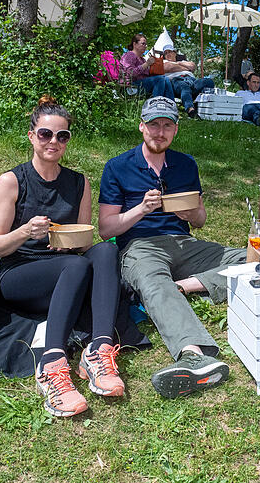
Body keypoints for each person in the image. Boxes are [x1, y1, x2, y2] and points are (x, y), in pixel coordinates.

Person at [0, 96, 126, 417]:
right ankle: (51, 365)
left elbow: (83, 238)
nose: (54, 141)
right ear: (32, 135)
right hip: (21, 275)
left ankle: (98, 352)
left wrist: (71, 244)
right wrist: (25, 232)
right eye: (46, 134)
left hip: (66, 271)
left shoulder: (78, 182)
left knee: (106, 250)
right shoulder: (12, 181)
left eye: (62, 136)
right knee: (76, 265)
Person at [98, 97, 245, 398]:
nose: (159, 132)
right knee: (153, 281)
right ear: (142, 127)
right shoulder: (118, 167)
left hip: (184, 243)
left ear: (175, 130)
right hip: (141, 246)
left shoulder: (185, 164)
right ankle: (194, 355)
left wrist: (189, 213)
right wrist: (140, 210)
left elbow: (201, 219)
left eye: (167, 125)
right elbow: (106, 229)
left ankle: (187, 286)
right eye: (154, 124)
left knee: (258, 256)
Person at [162, 44, 214, 119]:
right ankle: (190, 110)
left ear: (175, 53)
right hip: (177, 80)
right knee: (184, 87)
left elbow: (192, 66)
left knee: (208, 81)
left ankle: (204, 108)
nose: (168, 54)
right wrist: (186, 68)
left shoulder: (182, 61)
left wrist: (178, 63)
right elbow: (169, 67)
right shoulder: (164, 61)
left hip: (191, 80)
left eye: (169, 52)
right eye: (165, 53)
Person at [120, 33, 174, 100]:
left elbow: (148, 76)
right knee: (160, 79)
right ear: (135, 44)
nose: (145, 46)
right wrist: (147, 64)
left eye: (146, 44)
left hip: (141, 85)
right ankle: (155, 103)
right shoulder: (129, 55)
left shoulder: (142, 59)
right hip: (131, 87)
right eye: (143, 44)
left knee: (165, 78)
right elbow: (131, 73)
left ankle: (171, 104)